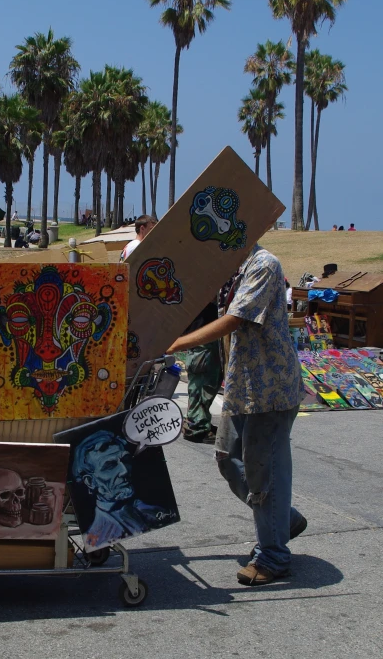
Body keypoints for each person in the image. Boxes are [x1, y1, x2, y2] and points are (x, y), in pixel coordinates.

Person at [166, 243, 307, 586]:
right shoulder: (230, 271)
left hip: (269, 389)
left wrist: (176, 343)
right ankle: (282, 520)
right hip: (241, 386)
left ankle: (273, 556)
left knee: (264, 473)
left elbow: (236, 318)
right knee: (228, 459)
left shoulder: (264, 264)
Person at [73, 430, 166, 547]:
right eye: (110, 466)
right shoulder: (101, 534)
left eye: (125, 460)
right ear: (90, 481)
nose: (124, 471)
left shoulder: (145, 507)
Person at [182, 302, 222, 444]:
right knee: (203, 386)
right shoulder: (206, 289)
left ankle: (199, 423)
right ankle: (197, 428)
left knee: (202, 386)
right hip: (204, 340)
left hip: (200, 339)